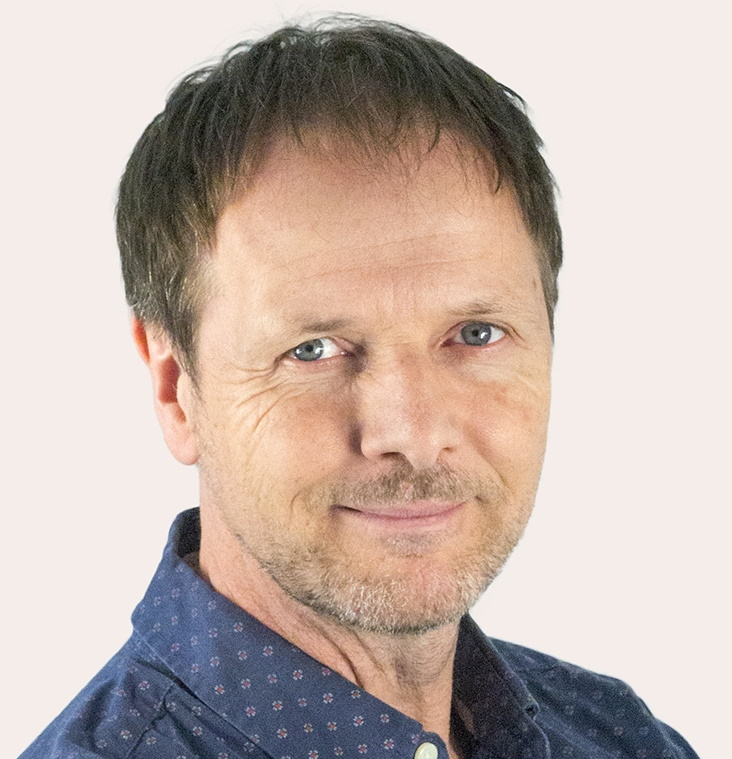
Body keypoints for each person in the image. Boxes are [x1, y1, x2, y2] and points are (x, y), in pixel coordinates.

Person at [20, 16, 699, 759]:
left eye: (476, 334)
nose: (413, 434)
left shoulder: (618, 734)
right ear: (176, 387)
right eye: (312, 350)